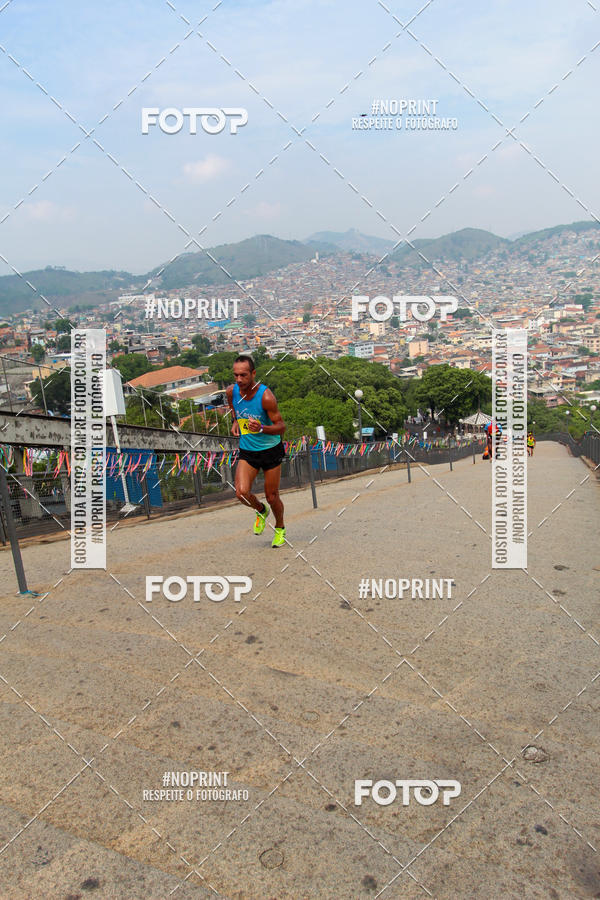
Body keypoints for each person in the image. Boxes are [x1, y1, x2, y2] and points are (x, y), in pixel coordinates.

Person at [226, 355, 287, 548]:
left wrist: (261, 428)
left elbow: (281, 427)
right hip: (248, 450)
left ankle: (280, 527)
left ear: (253, 374)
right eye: (236, 375)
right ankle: (261, 510)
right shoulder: (231, 392)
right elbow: (234, 408)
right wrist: (235, 421)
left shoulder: (266, 397)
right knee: (241, 493)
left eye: (243, 375)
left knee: (272, 496)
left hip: (270, 450)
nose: (239, 379)